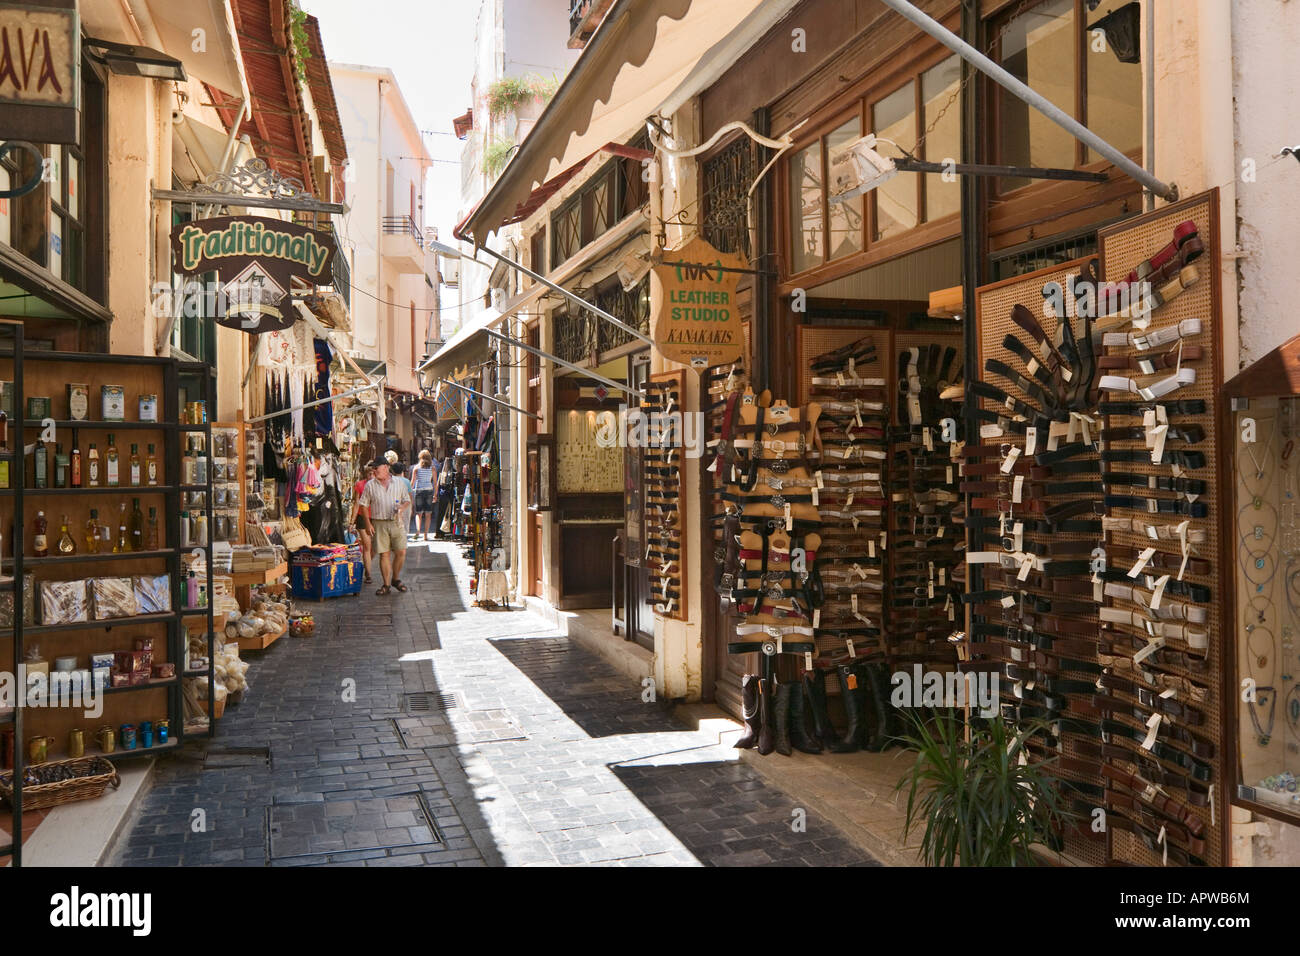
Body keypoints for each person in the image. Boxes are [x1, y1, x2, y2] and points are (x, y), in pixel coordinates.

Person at [356, 458, 412, 595]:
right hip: (378, 522)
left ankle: (395, 579)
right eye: (373, 468)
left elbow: (407, 501)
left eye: (377, 468)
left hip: (396, 522)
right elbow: (363, 505)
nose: (374, 471)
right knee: (384, 554)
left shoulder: (399, 483)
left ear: (386, 467)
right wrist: (368, 524)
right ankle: (386, 585)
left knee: (401, 552)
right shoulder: (370, 485)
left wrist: (401, 508)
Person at [350, 463, 375, 584]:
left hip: (376, 518)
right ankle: (368, 574)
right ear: (365, 474)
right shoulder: (360, 485)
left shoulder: (379, 485)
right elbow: (356, 504)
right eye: (369, 474)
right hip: (362, 518)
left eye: (373, 474)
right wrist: (351, 521)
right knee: (367, 546)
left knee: (374, 547)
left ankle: (367, 562)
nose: (371, 476)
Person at [412, 449, 437, 541]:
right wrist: (435, 494)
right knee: (428, 514)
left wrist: (409, 492)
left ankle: (418, 531)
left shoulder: (416, 468)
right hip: (429, 491)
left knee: (418, 513)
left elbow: (413, 482)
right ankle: (425, 535)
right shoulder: (432, 468)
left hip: (419, 490)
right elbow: (435, 483)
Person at [391, 460, 415, 537]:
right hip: (405, 505)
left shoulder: (391, 480)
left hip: (394, 503)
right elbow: (410, 495)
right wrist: (411, 506)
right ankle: (403, 540)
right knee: (405, 523)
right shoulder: (406, 481)